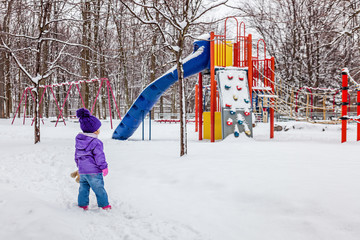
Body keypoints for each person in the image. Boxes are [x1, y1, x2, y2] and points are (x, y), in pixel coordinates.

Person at [74, 108, 111, 210]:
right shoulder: (96, 143)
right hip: (94, 172)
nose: (99, 130)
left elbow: (76, 156)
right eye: (98, 128)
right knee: (99, 189)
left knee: (83, 189)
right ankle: (104, 205)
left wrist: (79, 166)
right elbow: (99, 157)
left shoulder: (79, 141)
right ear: (94, 130)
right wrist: (104, 167)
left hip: (82, 171)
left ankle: (82, 204)